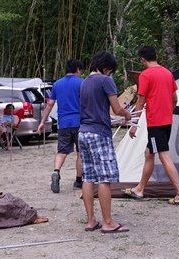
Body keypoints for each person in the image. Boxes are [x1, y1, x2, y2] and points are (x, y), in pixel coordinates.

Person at [123, 45, 179, 205]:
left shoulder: (145, 75)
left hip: (155, 123)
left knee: (164, 155)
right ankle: (140, 189)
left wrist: (134, 124)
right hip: (167, 121)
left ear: (143, 59)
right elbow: (174, 99)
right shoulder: (167, 73)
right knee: (149, 153)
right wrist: (168, 112)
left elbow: (140, 100)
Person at [78, 50, 132, 233]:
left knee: (87, 178)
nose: (111, 74)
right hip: (99, 134)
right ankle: (108, 222)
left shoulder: (84, 82)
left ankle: (91, 220)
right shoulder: (105, 80)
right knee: (104, 179)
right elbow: (116, 109)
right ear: (107, 67)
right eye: (111, 70)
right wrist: (127, 114)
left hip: (83, 133)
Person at [37, 59, 84, 193]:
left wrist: (42, 122)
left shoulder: (57, 84)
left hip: (63, 123)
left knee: (62, 151)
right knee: (80, 152)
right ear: (78, 70)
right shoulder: (81, 83)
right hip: (79, 122)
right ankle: (78, 180)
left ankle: (56, 171)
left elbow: (50, 104)